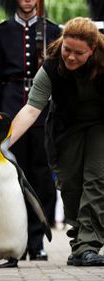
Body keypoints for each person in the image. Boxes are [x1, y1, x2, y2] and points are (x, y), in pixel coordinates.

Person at [9, 17, 104, 266]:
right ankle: (80, 241)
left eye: (78, 53)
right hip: (67, 127)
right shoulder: (51, 66)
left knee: (96, 180)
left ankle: (87, 245)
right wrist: (3, 144)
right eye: (67, 50)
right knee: (71, 185)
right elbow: (31, 109)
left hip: (100, 126)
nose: (70, 57)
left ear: (92, 50)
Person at [0, 0, 60, 261]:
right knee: (12, 179)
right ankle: (13, 244)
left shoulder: (53, 32)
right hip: (10, 108)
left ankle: (37, 242)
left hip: (42, 113)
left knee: (41, 179)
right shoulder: (2, 32)